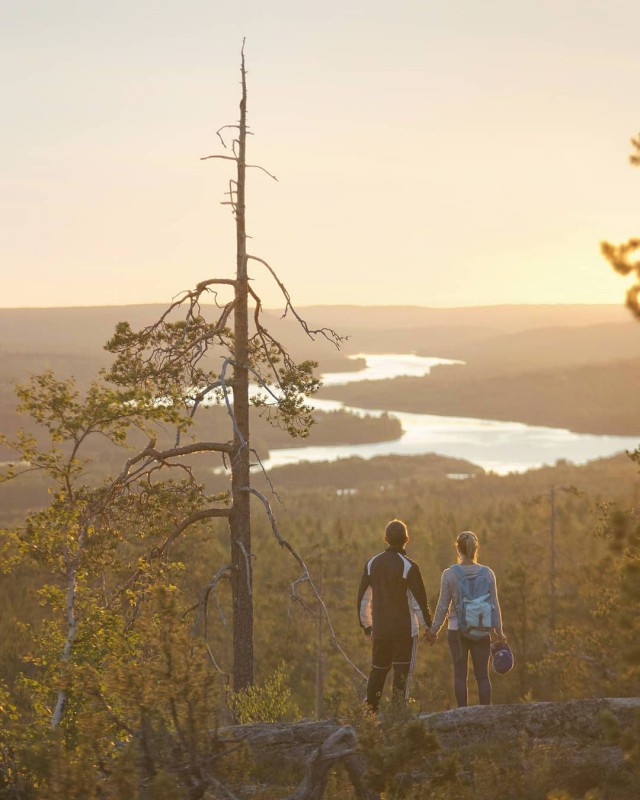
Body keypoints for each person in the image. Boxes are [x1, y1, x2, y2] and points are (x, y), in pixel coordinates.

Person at [357, 519, 434, 711]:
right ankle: (399, 716)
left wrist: (367, 626)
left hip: (380, 630)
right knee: (402, 675)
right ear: (407, 539)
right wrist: (429, 628)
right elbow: (418, 602)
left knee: (378, 672)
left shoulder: (372, 564)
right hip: (405, 632)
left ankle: (369, 715)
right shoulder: (409, 567)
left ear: (385, 539)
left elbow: (363, 600)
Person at [428, 530, 506, 707]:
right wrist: (499, 632)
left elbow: (442, 607)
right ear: (476, 548)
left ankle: (462, 713)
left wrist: (433, 631)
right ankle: (485, 711)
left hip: (456, 631)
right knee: (483, 676)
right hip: (481, 628)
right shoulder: (488, 573)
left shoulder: (449, 574)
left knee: (459, 675)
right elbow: (495, 605)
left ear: (458, 549)